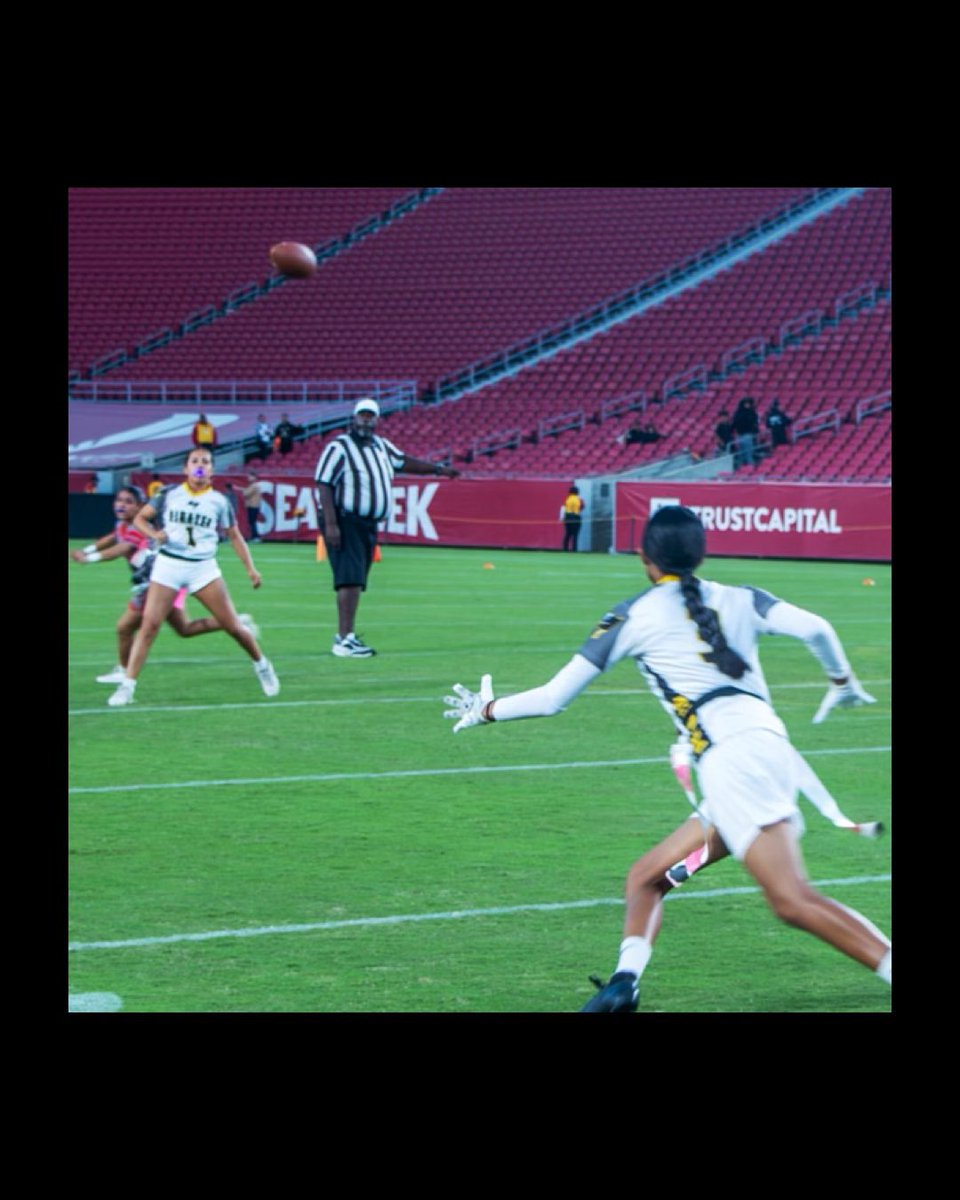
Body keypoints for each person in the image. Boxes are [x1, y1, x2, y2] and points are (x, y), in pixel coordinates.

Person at [442, 505, 890, 1012]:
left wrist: (487, 710)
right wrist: (840, 681)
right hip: (760, 749)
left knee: (792, 900)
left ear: (644, 557)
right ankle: (623, 985)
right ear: (701, 553)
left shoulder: (632, 615)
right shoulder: (742, 597)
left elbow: (552, 698)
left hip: (733, 761)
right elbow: (817, 628)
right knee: (646, 878)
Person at [105, 448, 279, 707]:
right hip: (169, 564)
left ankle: (262, 665)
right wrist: (154, 535)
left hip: (202, 567)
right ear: (185, 468)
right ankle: (127, 686)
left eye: (205, 462)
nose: (200, 465)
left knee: (232, 625)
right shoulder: (168, 493)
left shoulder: (219, 501)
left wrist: (250, 569)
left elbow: (234, 535)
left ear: (212, 469)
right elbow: (140, 519)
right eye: (194, 461)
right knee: (150, 625)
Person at [314, 397, 460, 657]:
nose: (366, 420)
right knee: (349, 579)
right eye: (362, 415)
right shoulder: (340, 447)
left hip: (367, 523)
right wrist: (331, 523)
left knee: (358, 579)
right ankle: (344, 639)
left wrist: (438, 469)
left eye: (370, 416)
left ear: (377, 420)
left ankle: (347, 636)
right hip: (346, 519)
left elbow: (405, 462)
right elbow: (324, 483)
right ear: (354, 418)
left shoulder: (381, 446)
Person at [70, 484, 259, 683]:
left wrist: (88, 558)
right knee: (184, 629)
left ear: (140, 507)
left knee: (124, 627)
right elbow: (112, 538)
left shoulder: (140, 530)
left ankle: (124, 671)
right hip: (161, 582)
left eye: (128, 502)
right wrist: (87, 550)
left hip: (159, 584)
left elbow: (121, 548)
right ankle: (235, 623)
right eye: (119, 500)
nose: (121, 505)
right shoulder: (123, 525)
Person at [732, 397, 759, 466]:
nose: (747, 405)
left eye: (748, 403)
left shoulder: (752, 413)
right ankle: (741, 467)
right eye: (746, 403)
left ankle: (750, 466)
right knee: (741, 453)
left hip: (748, 434)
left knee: (748, 453)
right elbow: (734, 423)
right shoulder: (738, 413)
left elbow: (755, 424)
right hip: (739, 435)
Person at [560, 485, 585, 552]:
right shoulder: (579, 499)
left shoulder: (567, 499)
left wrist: (562, 518)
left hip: (568, 516)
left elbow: (563, 508)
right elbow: (582, 506)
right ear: (577, 492)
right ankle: (574, 549)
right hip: (576, 517)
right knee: (575, 534)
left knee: (568, 533)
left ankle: (565, 549)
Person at [241, 472, 263, 542]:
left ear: (254, 477)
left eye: (250, 476)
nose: (248, 478)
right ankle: (254, 536)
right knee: (252, 522)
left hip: (253, 506)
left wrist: (242, 490)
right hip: (253, 506)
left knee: (252, 522)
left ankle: (256, 537)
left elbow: (246, 493)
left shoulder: (254, 486)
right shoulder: (253, 486)